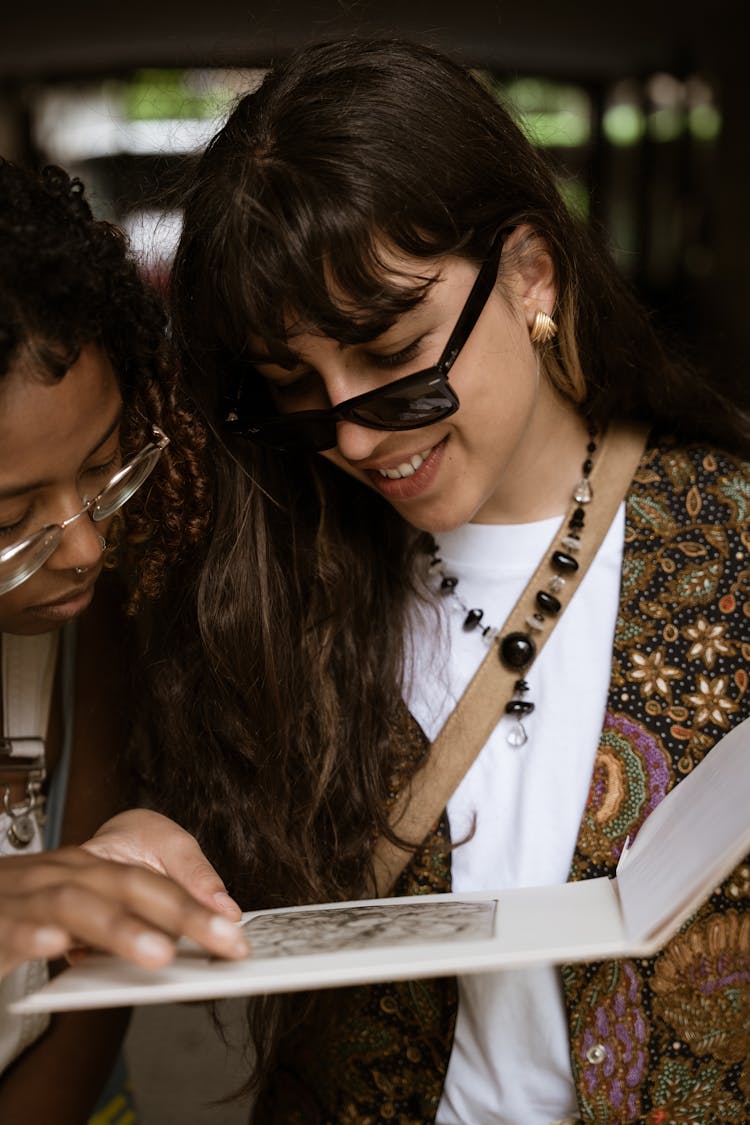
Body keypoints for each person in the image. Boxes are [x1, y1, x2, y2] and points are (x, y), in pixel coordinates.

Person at [131, 37, 750, 1124]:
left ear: (531, 276)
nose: (354, 438)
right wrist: (143, 845)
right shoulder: (271, 583)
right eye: (296, 388)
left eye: (392, 355)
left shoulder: (731, 549)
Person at [0, 158, 248, 1123]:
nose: (87, 545)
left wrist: (106, 884)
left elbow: (83, 1007)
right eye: (14, 516)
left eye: (103, 469)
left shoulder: (95, 615)